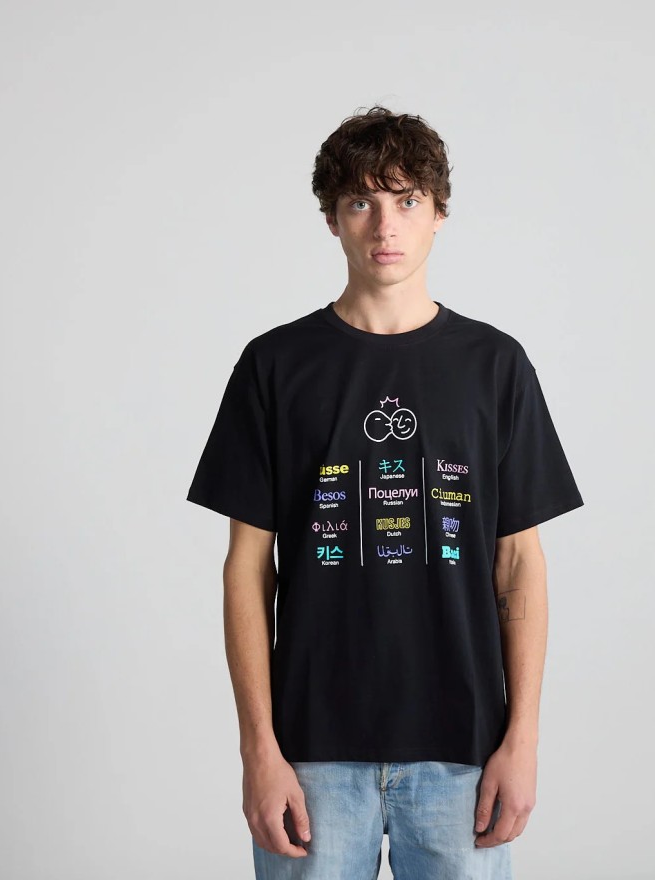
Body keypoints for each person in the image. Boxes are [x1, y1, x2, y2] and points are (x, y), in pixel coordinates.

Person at [186, 105, 584, 879]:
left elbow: (519, 566)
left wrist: (522, 741)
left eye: (406, 200)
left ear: (439, 214)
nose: (384, 225)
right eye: (361, 201)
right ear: (332, 219)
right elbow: (247, 570)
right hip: (310, 754)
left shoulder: (494, 366)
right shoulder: (275, 366)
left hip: (465, 752)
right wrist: (259, 751)